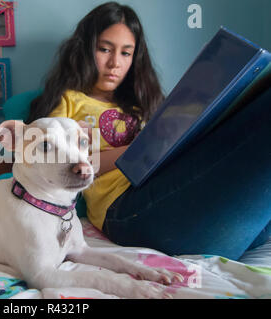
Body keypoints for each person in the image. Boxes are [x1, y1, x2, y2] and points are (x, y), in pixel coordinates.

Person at [26, 1, 270, 260]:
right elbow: (55, 160)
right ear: (85, 51)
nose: (114, 63)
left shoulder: (145, 104)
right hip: (125, 209)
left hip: (177, 190)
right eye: (104, 49)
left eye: (126, 53)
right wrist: (138, 150)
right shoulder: (70, 101)